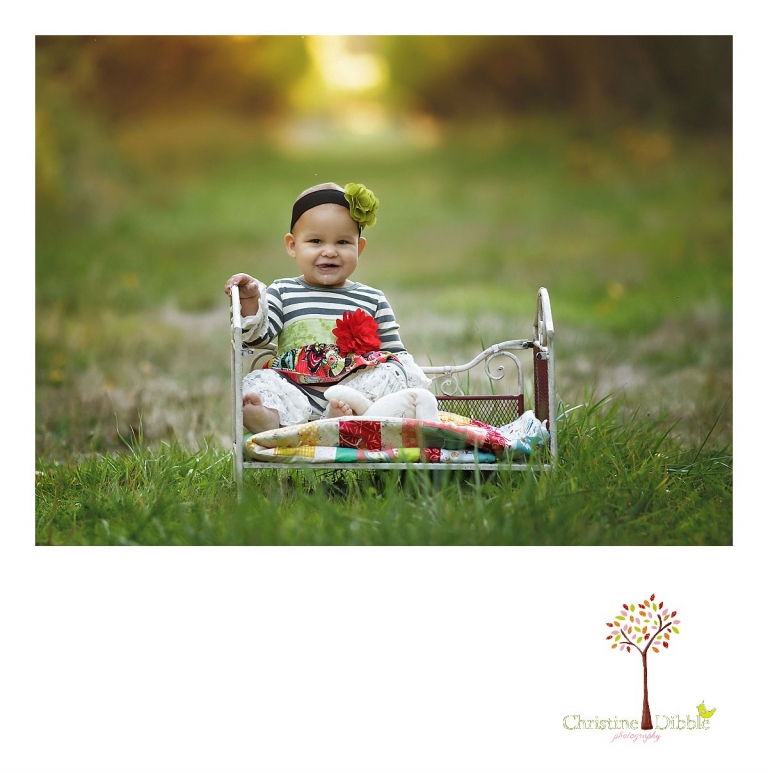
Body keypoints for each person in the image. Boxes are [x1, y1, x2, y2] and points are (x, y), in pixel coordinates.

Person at [224, 181, 432, 434]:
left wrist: (394, 375)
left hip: (352, 390)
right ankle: (269, 417)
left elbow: (396, 354)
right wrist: (250, 299)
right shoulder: (283, 291)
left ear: (359, 247)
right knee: (261, 381)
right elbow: (256, 338)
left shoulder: (372, 299)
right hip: (295, 388)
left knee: (392, 372)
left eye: (343, 242)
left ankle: (346, 415)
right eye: (316, 241)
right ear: (292, 245)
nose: (330, 252)